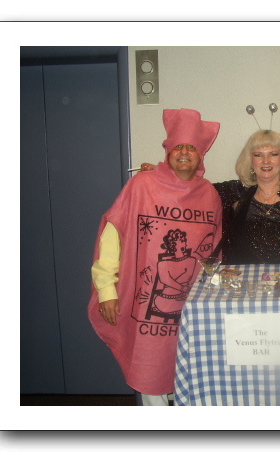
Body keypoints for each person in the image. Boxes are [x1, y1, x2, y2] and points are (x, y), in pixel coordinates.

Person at [88, 108, 222, 406]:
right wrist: (106, 289)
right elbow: (112, 236)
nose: (184, 152)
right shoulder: (142, 185)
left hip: (192, 310)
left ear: (201, 155)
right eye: (178, 146)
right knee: (150, 378)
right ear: (167, 151)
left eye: (191, 147)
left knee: (188, 378)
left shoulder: (209, 195)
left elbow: (213, 251)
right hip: (147, 313)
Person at [141, 129, 280, 266]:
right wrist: (164, 175)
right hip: (241, 288)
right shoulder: (233, 192)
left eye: (273, 154)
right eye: (258, 155)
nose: (266, 161)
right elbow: (191, 190)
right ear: (251, 161)